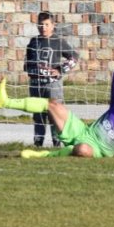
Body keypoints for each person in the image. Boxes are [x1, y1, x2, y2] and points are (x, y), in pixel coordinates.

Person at [0, 54, 114, 158]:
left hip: (96, 151)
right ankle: (5, 101)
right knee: (53, 104)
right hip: (83, 131)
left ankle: (45, 155)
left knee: (82, 150)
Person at [25, 12, 78, 147]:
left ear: (53, 26)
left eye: (46, 25)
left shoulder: (58, 41)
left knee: (55, 114)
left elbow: (74, 57)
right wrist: (31, 70)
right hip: (36, 85)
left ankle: (57, 142)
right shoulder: (33, 42)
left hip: (52, 85)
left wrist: (60, 70)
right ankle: (38, 142)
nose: (43, 27)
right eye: (41, 24)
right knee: (38, 115)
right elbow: (27, 63)